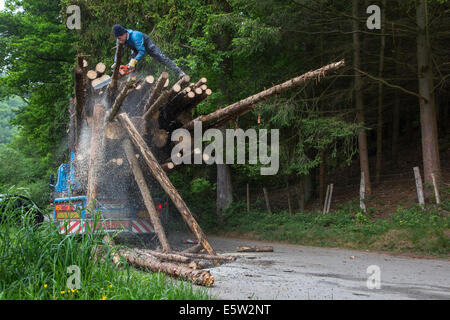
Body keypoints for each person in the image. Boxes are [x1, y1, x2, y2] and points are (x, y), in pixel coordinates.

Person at [112, 24, 186, 78]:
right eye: (117, 38)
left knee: (160, 56)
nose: (119, 40)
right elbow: (118, 52)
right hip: (135, 49)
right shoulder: (119, 40)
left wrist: (135, 61)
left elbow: (142, 51)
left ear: (124, 34)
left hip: (147, 45)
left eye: (119, 38)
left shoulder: (135, 36)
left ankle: (180, 72)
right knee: (130, 65)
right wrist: (116, 62)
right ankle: (130, 81)